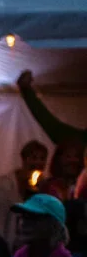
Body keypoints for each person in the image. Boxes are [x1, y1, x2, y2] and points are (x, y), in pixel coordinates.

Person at [17, 70, 87, 198]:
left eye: (75, 157)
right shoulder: (76, 139)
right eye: (69, 156)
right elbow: (47, 120)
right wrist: (26, 91)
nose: (73, 160)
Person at [0, 139, 51, 231]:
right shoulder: (7, 183)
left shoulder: (44, 185)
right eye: (34, 158)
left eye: (42, 158)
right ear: (24, 159)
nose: (38, 162)